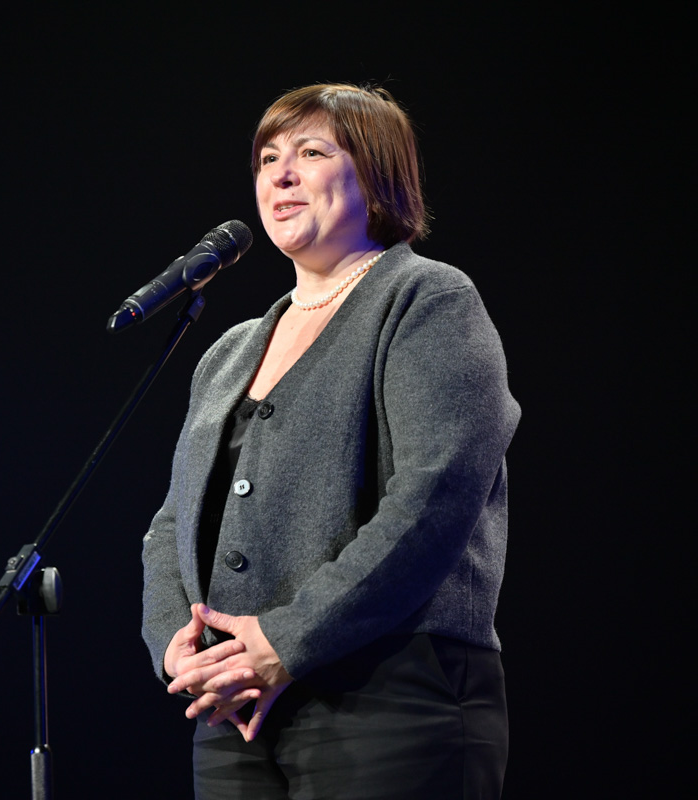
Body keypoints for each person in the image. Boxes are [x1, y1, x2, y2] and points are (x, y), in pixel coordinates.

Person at [140, 83, 520, 799]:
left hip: (390, 695)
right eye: (267, 159)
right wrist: (175, 645)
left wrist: (286, 641)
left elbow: (434, 497)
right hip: (236, 712)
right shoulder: (229, 351)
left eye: (310, 153)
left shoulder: (427, 300)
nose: (280, 175)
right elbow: (172, 523)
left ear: (376, 176)